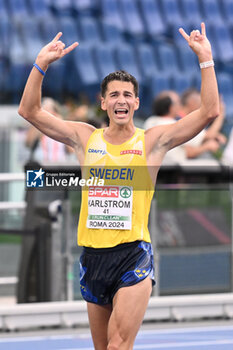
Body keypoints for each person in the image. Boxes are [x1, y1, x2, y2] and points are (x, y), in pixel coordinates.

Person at [18, 23, 219, 350]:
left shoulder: (153, 142)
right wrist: (40, 65)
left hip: (132, 256)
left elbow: (209, 111)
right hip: (93, 257)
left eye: (127, 95)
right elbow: (29, 111)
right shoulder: (84, 137)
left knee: (117, 346)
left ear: (137, 103)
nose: (121, 100)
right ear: (104, 103)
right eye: (114, 95)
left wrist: (206, 60)